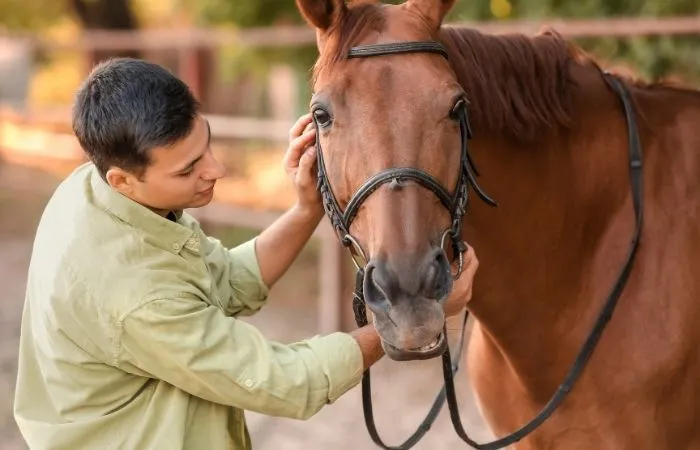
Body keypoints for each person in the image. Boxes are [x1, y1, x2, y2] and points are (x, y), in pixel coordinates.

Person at [13, 58, 479, 450]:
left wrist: (304, 210)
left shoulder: (97, 193)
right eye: (189, 168)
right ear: (123, 179)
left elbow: (224, 282)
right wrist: (416, 315)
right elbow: (282, 380)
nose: (215, 169)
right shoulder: (132, 292)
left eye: (207, 143)